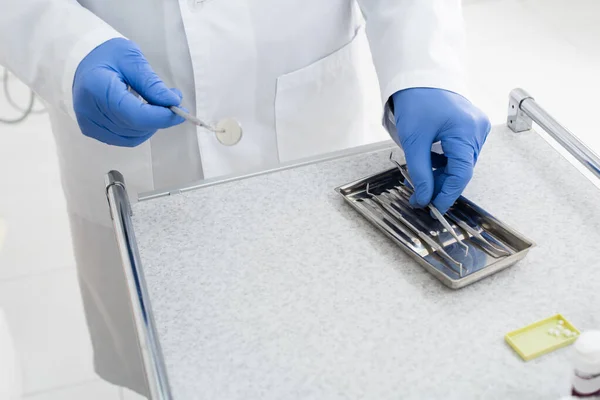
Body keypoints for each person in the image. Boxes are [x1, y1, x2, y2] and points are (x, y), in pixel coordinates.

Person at [0, 0, 490, 397]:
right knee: (171, 368)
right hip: (139, 149)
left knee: (328, 355)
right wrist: (64, 47)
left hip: (307, 121)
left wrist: (424, 66)